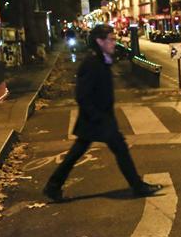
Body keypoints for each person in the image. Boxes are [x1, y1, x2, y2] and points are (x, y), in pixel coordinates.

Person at [43, 24, 162, 202]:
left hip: (98, 119)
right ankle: (137, 186)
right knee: (119, 150)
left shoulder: (102, 60)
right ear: (100, 41)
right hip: (98, 119)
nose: (114, 42)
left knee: (78, 152)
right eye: (111, 39)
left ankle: (53, 186)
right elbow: (82, 95)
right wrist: (98, 117)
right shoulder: (92, 63)